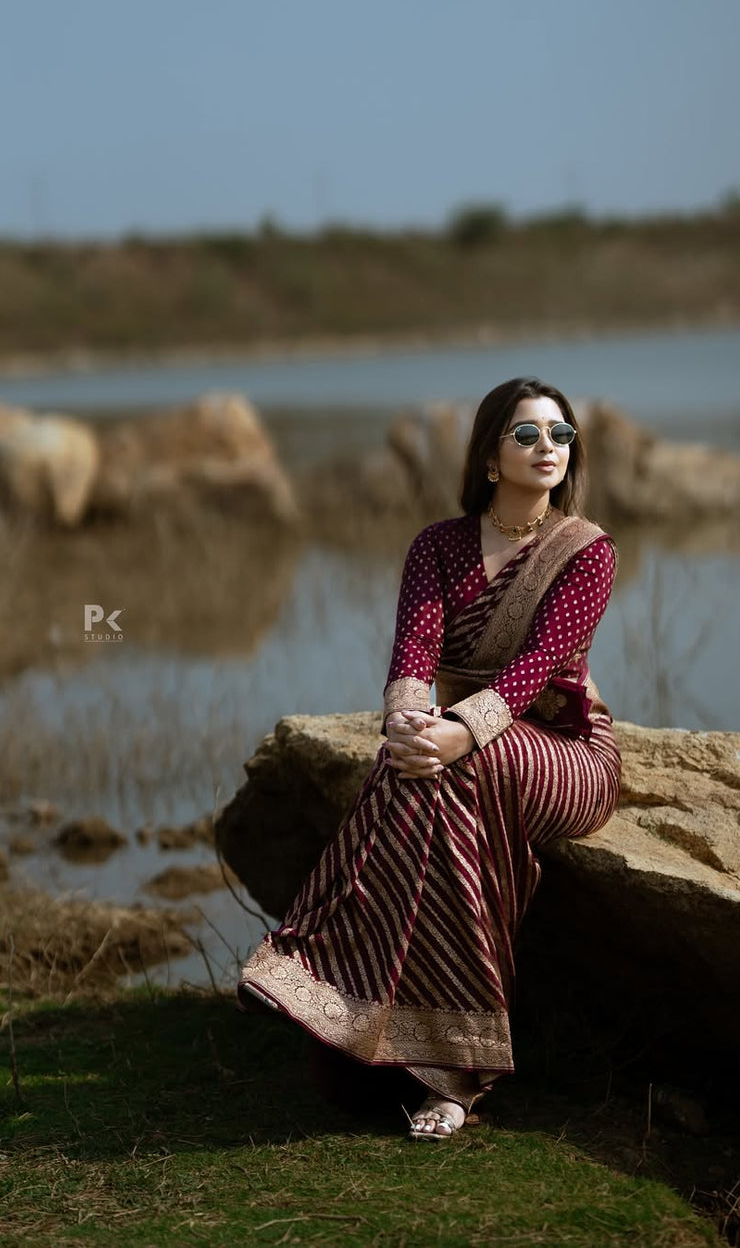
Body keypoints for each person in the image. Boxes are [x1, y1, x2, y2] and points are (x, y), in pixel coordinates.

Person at [237, 376, 621, 1140]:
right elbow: (413, 649)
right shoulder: (438, 546)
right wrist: (410, 726)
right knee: (411, 768)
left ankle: (359, 1000)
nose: (549, 448)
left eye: (561, 435)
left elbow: (539, 666)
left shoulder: (586, 551)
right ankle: (419, 1053)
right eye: (529, 434)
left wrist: (458, 730)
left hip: (567, 751)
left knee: (452, 764)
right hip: (460, 736)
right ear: (489, 456)